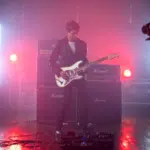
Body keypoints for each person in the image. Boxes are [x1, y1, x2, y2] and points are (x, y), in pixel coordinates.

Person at [49, 20, 89, 142]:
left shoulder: (82, 44)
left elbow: (84, 60)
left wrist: (86, 67)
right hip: (66, 77)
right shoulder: (60, 43)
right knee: (65, 103)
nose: (75, 36)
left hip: (78, 76)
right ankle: (58, 129)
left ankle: (83, 127)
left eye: (77, 33)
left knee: (84, 102)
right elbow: (51, 60)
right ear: (67, 32)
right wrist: (59, 72)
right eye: (72, 33)